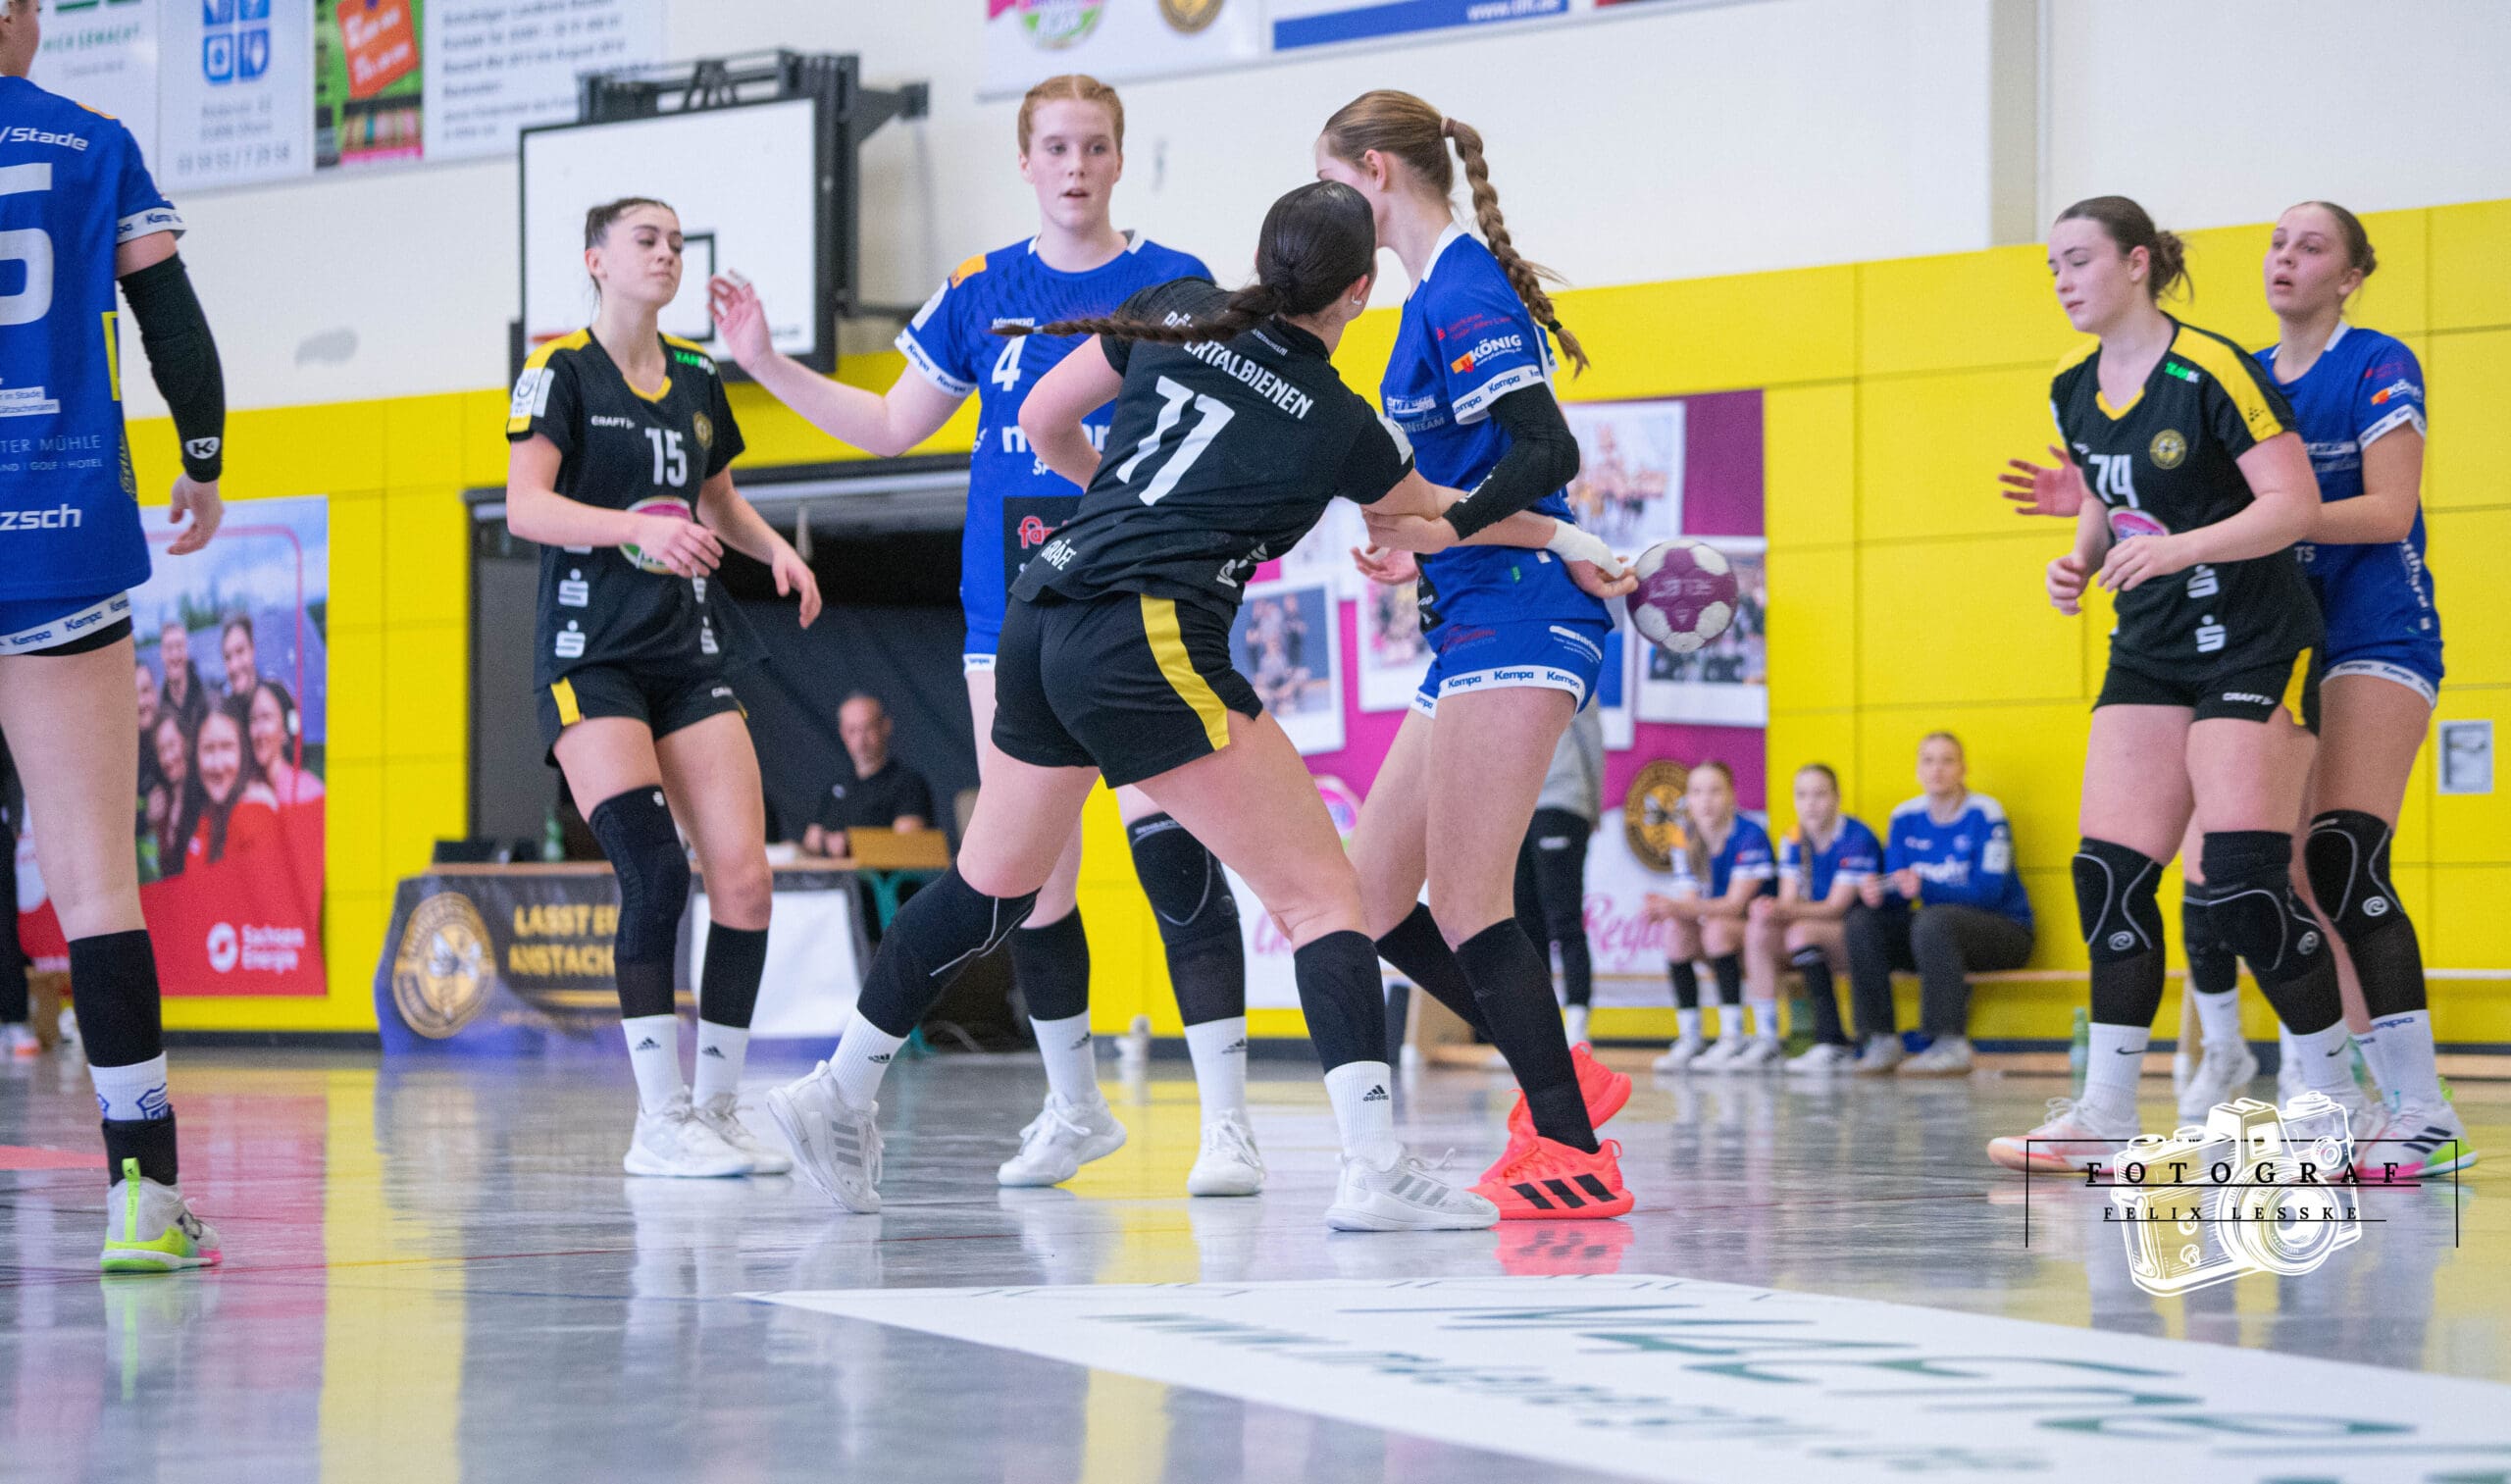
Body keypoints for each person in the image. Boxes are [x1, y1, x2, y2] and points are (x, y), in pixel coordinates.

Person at [769, 181, 1626, 1229]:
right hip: (1145, 632)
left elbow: (1040, 418)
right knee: (1326, 900)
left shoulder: (1174, 306)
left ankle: (836, 1090)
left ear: (1259, 258)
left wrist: (1121, 503)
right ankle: (1372, 1169)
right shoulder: (1339, 420)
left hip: (1042, 606)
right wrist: (1572, 539)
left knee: (992, 884)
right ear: (1360, 292)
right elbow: (1440, 518)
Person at [708, 76, 1266, 1200]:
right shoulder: (980, 289)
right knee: (1031, 880)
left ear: (1119, 160)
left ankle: (1229, 1127)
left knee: (1169, 843)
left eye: (1094, 146)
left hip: (1137, 607)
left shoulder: (1174, 284)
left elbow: (1219, 433)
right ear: (1024, 161)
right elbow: (889, 425)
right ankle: (1074, 1108)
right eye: (1055, 146)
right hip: (1008, 620)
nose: (1075, 166)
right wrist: (762, 361)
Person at [2002, 204, 2473, 1171]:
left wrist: (2232, 515)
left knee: (2341, 859)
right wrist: (2113, 507)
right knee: (2269, 879)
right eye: (2276, 242)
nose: (2284, 258)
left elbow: (2388, 510)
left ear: (2351, 275)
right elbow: (2157, 487)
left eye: (2311, 246)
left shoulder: (2371, 362)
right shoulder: (2232, 367)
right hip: (2252, 619)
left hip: (2367, 624)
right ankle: (2339, 1094)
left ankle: (2421, 1108)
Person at [1319, 89, 1639, 1220]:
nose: (1325, 207)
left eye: (1330, 183)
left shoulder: (1461, 289)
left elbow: (1547, 448)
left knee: (1466, 900)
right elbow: (1478, 478)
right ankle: (1562, 1071)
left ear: (1374, 172)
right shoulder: (1429, 299)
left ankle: (1572, 1149)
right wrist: (1420, 540)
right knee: (1366, 896)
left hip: (1520, 617)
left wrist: (1446, 529)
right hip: (1469, 619)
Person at [505, 195, 821, 1179]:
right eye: (646, 239)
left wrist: (775, 551)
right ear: (595, 259)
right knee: (655, 872)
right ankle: (659, 1120)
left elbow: (716, 498)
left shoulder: (696, 374)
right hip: (590, 654)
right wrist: (634, 527)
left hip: (686, 649)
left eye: (678, 242)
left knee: (746, 881)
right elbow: (525, 507)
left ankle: (716, 1111)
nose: (667, 254)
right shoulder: (557, 370)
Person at [1, 0, 230, 1269]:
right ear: (21, 19)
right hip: (59, 534)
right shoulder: (92, 141)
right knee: (95, 884)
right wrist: (204, 457)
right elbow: (174, 326)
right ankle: (142, 1195)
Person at [1843, 733, 2034, 1076]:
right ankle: (1881, 1039)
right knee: (1862, 921)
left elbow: (1989, 893)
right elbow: (1900, 892)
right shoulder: (1904, 817)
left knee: (1932, 920)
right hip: (1934, 937)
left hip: (2005, 932)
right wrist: (1878, 892)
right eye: (1928, 761)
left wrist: (1926, 886)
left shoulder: (1986, 814)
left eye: (1947, 760)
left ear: (1963, 769)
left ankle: (1949, 1043)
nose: (1937, 769)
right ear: (1918, 769)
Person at [1642, 761, 1776, 1071]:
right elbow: (1690, 904)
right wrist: (1667, 910)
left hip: (1759, 932)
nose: (1706, 800)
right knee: (1676, 931)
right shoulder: (1684, 837)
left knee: (1717, 929)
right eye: (1697, 792)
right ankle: (1691, 1036)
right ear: (1688, 799)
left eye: (1715, 791)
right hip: (1719, 929)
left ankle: (1733, 1036)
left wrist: (1675, 906)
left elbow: (1735, 905)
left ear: (1732, 795)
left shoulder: (1750, 834)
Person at [1758, 764, 1884, 1075]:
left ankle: (1832, 1039)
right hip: (1815, 930)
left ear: (1837, 797)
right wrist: (1771, 909)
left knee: (1800, 933)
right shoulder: (1793, 837)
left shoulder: (1856, 837)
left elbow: (1835, 907)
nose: (1810, 804)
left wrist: (1783, 910)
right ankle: (1764, 1039)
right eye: (1802, 795)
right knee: (1758, 928)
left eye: (1819, 795)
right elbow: (1789, 900)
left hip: (1863, 938)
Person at [1514, 706, 1604, 1047]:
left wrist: (1592, 806)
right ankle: (1539, 1035)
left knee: (1564, 921)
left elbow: (1591, 736)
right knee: (1525, 926)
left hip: (1560, 801)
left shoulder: (1574, 672)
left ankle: (1577, 1029)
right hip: (1511, 808)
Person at [801, 693, 934, 858]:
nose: (861, 740)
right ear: (843, 733)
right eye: (852, 730)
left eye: (868, 728)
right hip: (833, 875)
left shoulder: (908, 784)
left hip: (882, 875)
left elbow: (908, 845)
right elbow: (811, 843)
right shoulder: (836, 789)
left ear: (885, 727)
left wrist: (850, 844)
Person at [186, 700, 280, 867]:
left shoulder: (254, 814)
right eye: (208, 749)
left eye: (227, 747)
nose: (218, 766)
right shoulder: (208, 813)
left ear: (242, 751)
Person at [248, 679, 324, 806]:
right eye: (253, 719)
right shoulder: (249, 790)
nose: (258, 731)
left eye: (266, 717)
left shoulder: (309, 794)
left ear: (285, 730)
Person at [156, 620, 209, 733]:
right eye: (169, 648)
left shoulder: (207, 697)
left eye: (179, 646)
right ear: (162, 654)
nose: (175, 655)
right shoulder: (158, 710)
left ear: (187, 651)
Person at [220, 613, 258, 699]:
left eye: (240, 651)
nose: (234, 665)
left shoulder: (274, 698)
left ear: (252, 648)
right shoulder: (226, 705)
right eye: (227, 657)